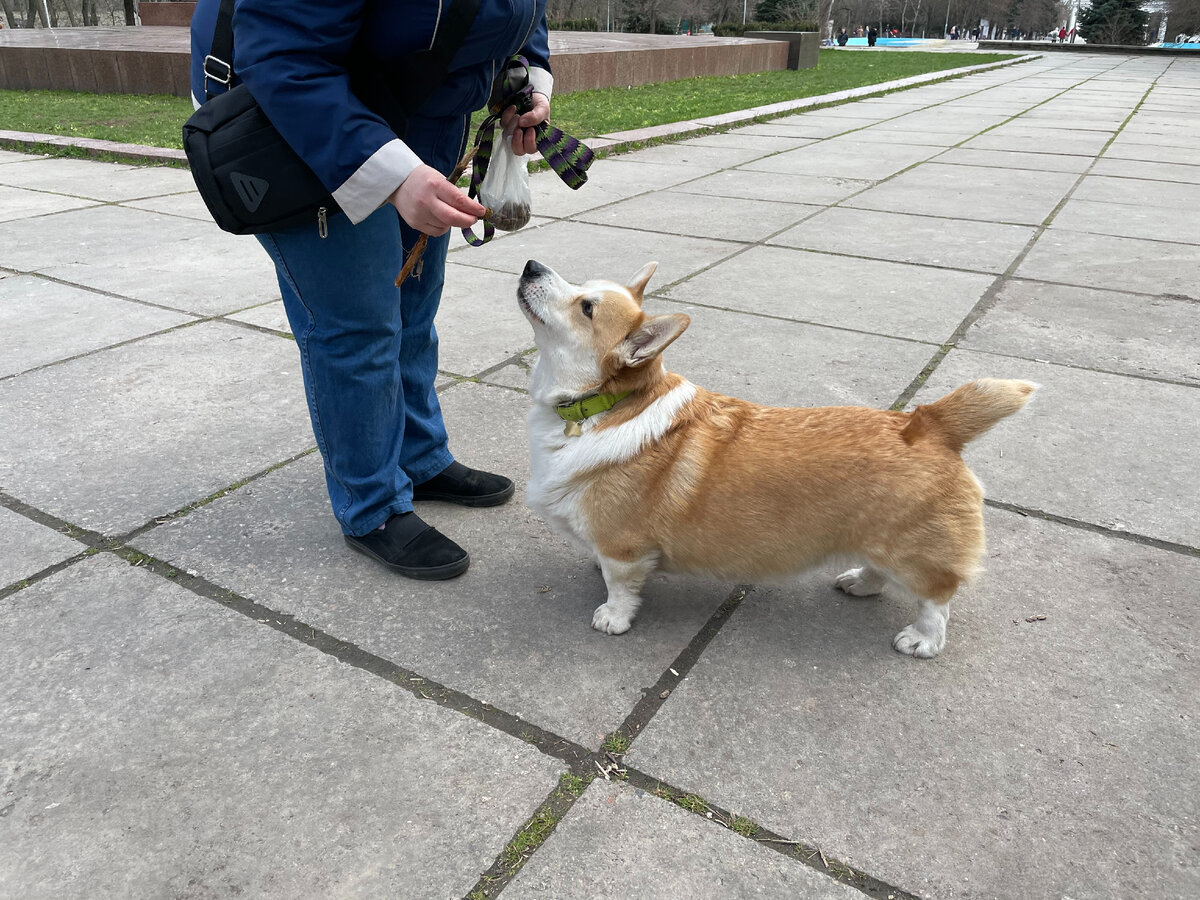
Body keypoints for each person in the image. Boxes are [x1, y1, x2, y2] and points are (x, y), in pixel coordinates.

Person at [189, 0, 553, 580]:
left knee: (413, 303)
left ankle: (418, 456)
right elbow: (285, 50)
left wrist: (526, 78)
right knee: (356, 323)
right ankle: (372, 504)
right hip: (299, 109)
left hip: (423, 108)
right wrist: (387, 172)